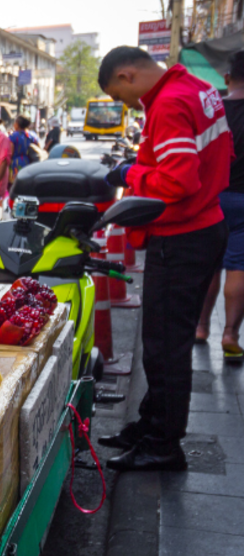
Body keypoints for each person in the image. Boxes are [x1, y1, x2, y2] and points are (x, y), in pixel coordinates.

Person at [96, 46, 230, 472]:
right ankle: (152, 423)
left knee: (164, 347)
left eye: (120, 95)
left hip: (183, 236)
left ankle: (164, 444)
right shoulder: (198, 88)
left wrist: (128, 174)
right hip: (206, 223)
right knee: (162, 341)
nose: (127, 104)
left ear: (128, 75)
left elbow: (177, 179)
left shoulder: (169, 103)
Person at [196, 50, 244, 363]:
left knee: (210, 265)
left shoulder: (214, 110)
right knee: (238, 266)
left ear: (226, 78)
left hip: (212, 198)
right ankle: (230, 333)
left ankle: (200, 328)